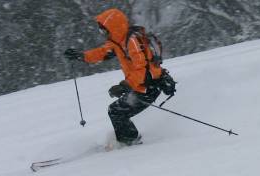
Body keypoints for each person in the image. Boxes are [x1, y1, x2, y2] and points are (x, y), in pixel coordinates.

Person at [64, 8, 176, 146]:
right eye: (101, 30)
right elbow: (102, 52)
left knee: (116, 111)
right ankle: (129, 139)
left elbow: (142, 70)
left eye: (103, 30)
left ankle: (130, 142)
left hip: (150, 86)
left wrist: (124, 86)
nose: (102, 33)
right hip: (140, 86)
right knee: (117, 111)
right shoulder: (118, 42)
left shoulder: (132, 41)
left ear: (114, 27)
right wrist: (81, 56)